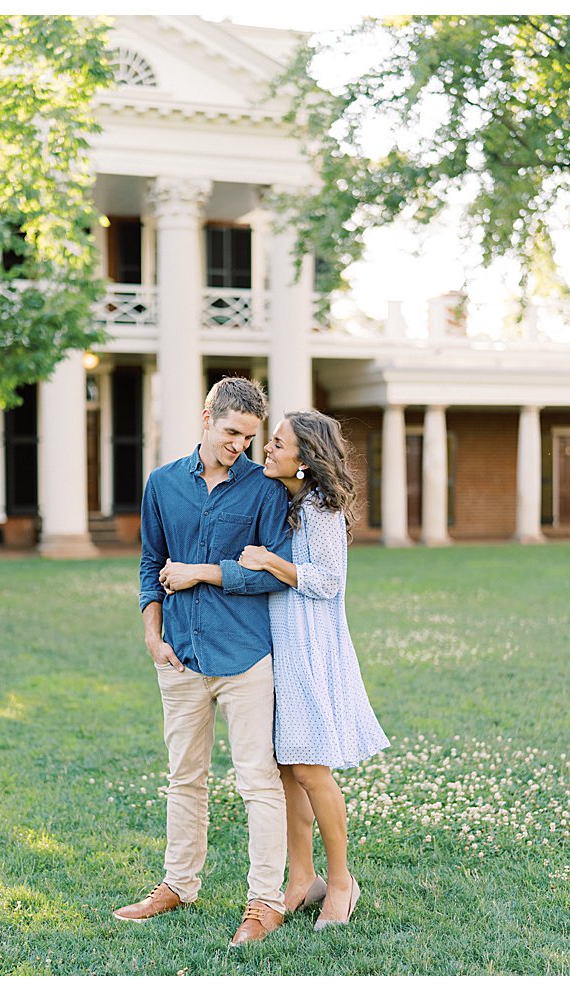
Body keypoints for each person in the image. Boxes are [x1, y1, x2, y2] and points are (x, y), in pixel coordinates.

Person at [112, 377, 294, 947]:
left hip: (245, 657)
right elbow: (150, 562)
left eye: (250, 436)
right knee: (184, 779)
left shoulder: (266, 490)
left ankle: (265, 903)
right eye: (232, 432)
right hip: (181, 658)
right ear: (206, 417)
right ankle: (177, 885)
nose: (241, 445)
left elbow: (270, 571)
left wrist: (202, 571)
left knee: (258, 782)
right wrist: (151, 634)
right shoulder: (163, 484)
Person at [236, 409, 388, 928]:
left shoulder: (321, 508)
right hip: (280, 644)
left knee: (310, 766)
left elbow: (328, 582)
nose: (268, 450)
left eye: (278, 444)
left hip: (312, 647)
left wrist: (268, 560)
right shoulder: (286, 500)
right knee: (285, 767)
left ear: (306, 458)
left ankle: (342, 882)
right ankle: (302, 879)